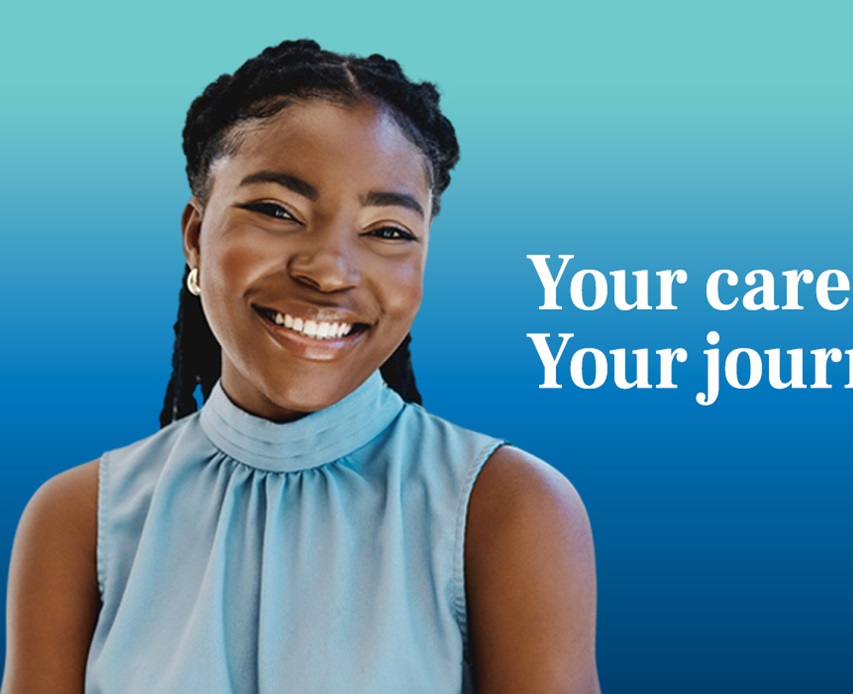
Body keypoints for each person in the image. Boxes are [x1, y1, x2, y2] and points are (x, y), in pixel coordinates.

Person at [2, 40, 599, 693]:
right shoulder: (78, 519)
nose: (328, 270)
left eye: (389, 230)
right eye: (278, 211)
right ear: (196, 235)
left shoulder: (506, 508)